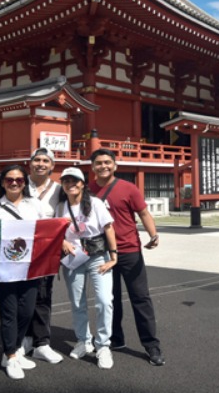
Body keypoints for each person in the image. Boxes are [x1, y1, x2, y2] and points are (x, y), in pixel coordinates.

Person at [88, 149, 165, 366]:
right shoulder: (88, 190)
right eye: (99, 163)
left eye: (107, 162)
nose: (103, 166)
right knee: (109, 299)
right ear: (92, 166)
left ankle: (151, 345)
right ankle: (115, 338)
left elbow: (143, 213)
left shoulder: (128, 188)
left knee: (140, 298)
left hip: (129, 250)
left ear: (115, 165)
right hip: (102, 252)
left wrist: (154, 234)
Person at [0, 165, 45, 380]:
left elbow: (46, 230)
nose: (14, 183)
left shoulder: (35, 204)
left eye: (19, 180)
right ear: (2, 183)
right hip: (4, 269)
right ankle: (11, 355)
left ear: (24, 183)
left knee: (27, 311)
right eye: (9, 179)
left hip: (30, 267)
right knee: (9, 313)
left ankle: (14, 348)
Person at [57, 167, 118, 369]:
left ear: (83, 183)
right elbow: (56, 231)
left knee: (104, 300)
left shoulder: (95, 203)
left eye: (75, 181)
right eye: (66, 181)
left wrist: (113, 255)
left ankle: (103, 346)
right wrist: (62, 243)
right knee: (77, 302)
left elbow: (108, 227)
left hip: (97, 255)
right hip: (73, 257)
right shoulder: (61, 206)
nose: (70, 184)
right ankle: (83, 340)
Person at [21, 148, 63, 364]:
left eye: (45, 161)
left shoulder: (59, 189)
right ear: (29, 163)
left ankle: (42, 343)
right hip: (20, 248)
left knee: (43, 295)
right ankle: (23, 339)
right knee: (21, 295)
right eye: (36, 160)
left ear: (52, 165)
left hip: (47, 250)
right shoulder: (18, 183)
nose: (40, 164)